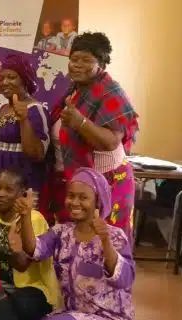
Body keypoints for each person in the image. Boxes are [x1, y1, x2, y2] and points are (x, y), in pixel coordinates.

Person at [17, 167, 137, 320]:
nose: (74, 202)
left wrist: (104, 240)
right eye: (71, 196)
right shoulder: (61, 232)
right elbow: (34, 249)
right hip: (71, 316)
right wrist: (25, 217)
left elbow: (124, 280)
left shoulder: (114, 236)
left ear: (98, 201)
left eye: (83, 198)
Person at [46, 32, 139, 237]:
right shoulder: (74, 90)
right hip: (76, 182)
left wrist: (80, 122)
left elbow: (111, 141)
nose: (77, 64)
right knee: (74, 245)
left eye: (87, 60)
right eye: (74, 59)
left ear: (102, 64)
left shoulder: (111, 92)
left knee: (102, 246)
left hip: (108, 183)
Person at [0, 169, 59, 320]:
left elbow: (22, 265)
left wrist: (16, 250)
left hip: (35, 289)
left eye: (8, 190)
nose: (0, 194)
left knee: (12, 307)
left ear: (22, 194)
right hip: (6, 287)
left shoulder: (33, 219)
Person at [0, 54, 51, 207]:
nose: (5, 82)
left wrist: (24, 120)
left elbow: (37, 154)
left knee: (14, 230)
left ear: (25, 78)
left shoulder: (35, 110)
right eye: (1, 78)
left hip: (17, 193)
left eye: (11, 77)